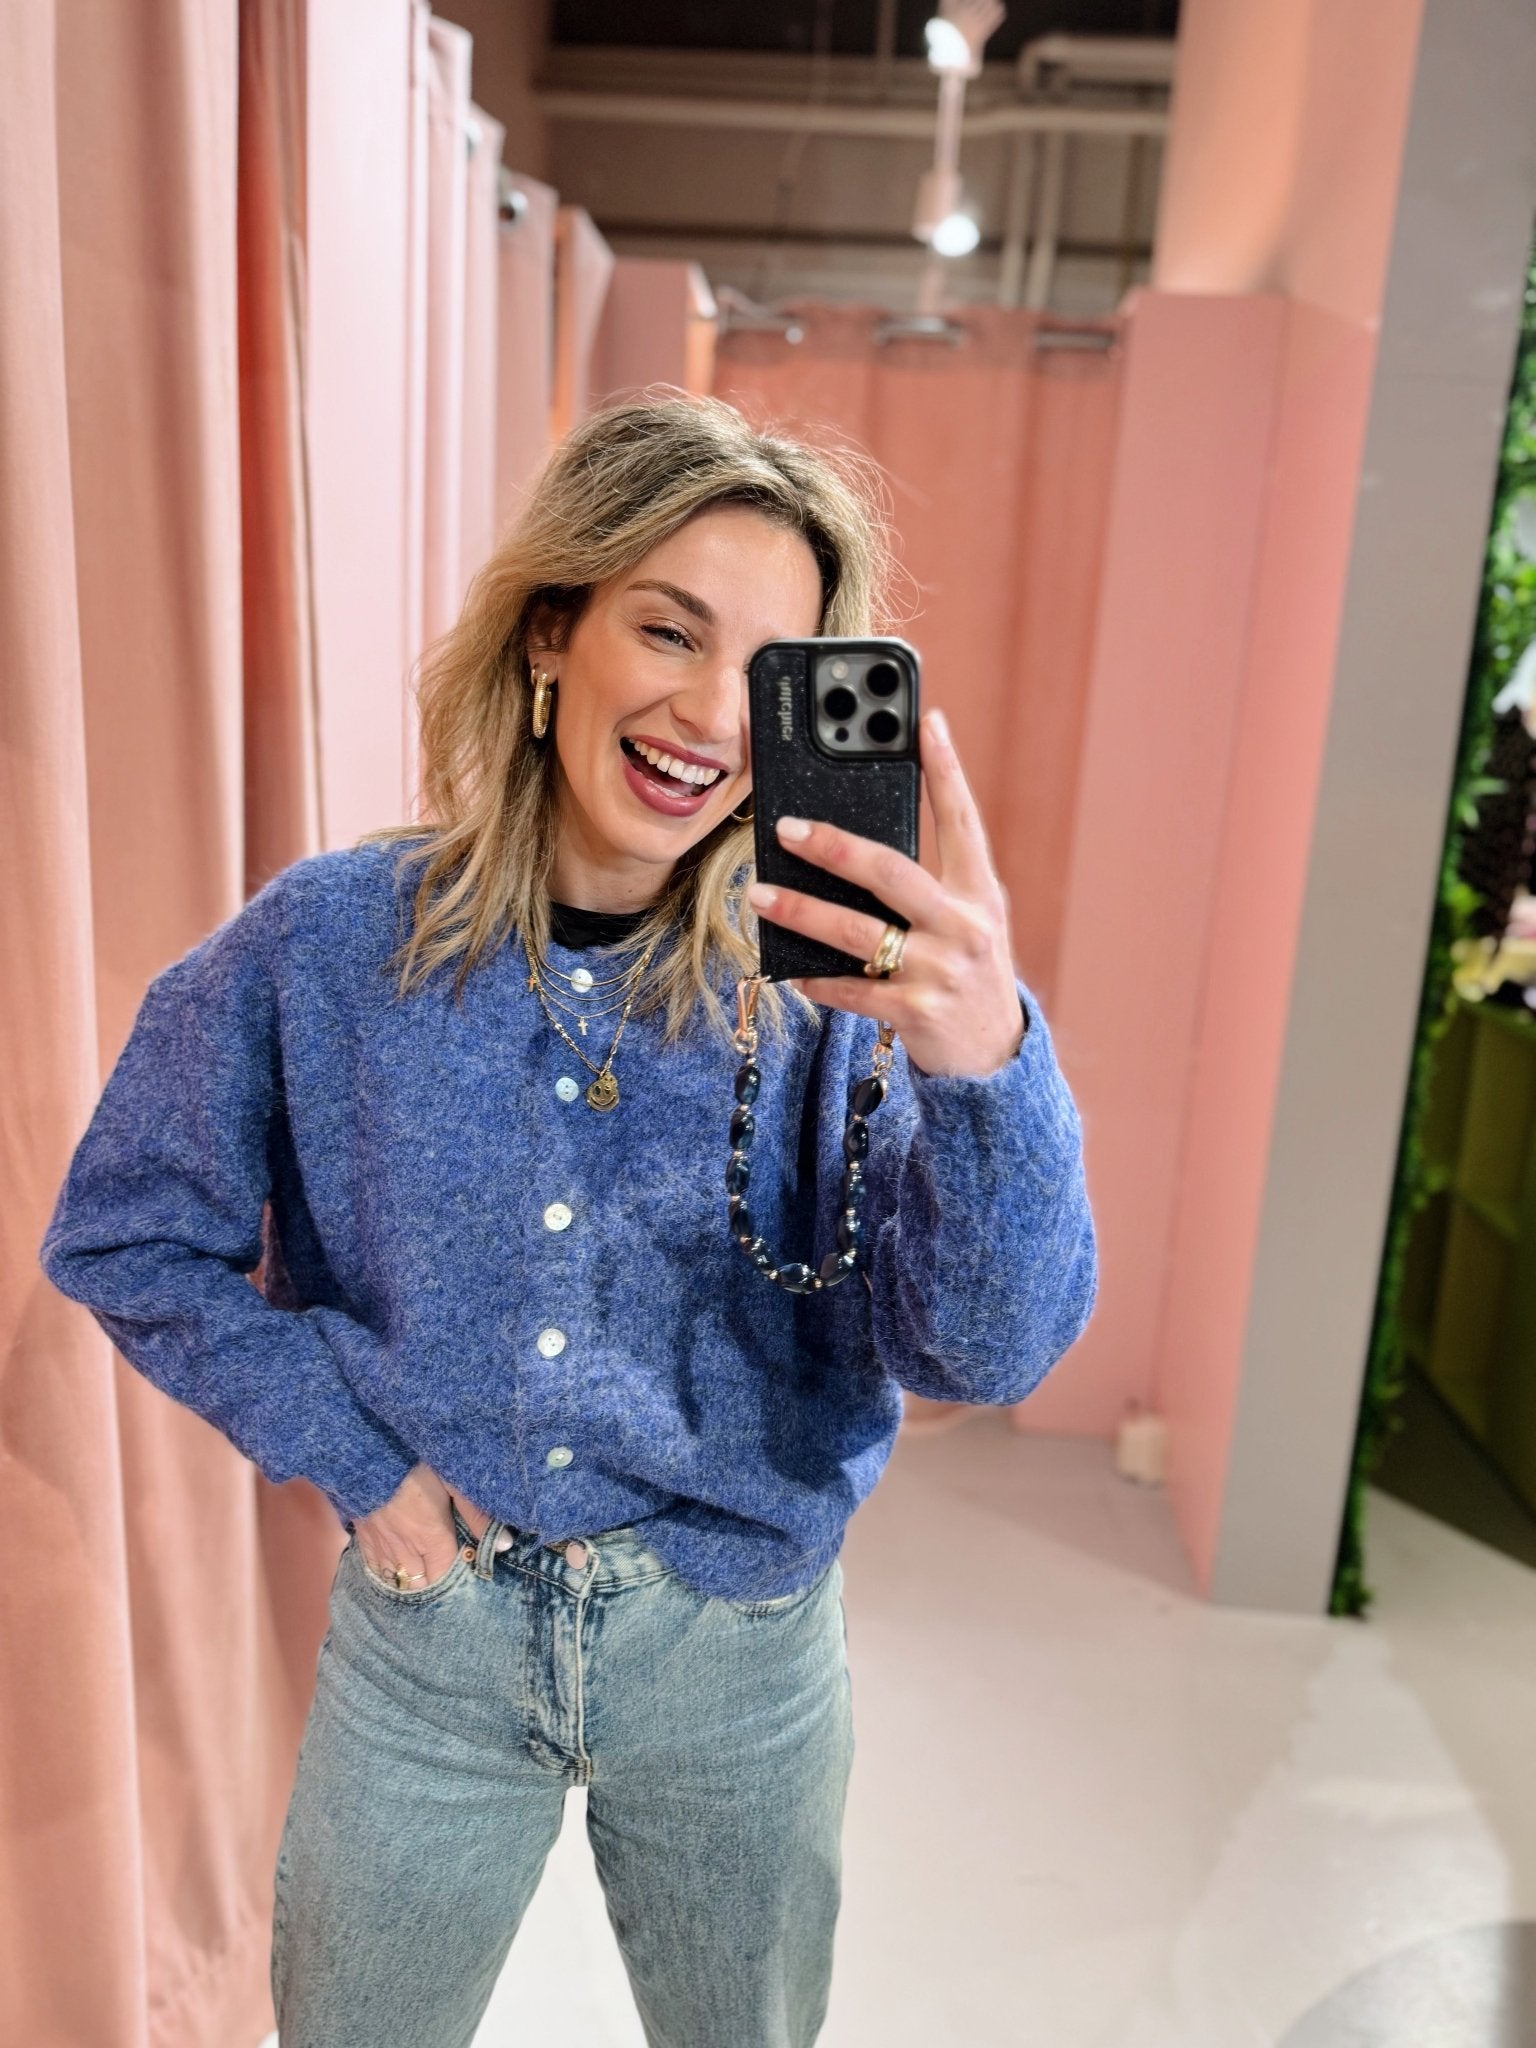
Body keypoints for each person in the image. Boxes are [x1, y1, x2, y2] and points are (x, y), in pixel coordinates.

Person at [39, 392, 1098, 2048]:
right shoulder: (331, 946)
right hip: (433, 1645)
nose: (712, 716)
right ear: (552, 633)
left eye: (768, 674)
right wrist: (354, 1454)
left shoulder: (835, 997)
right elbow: (121, 1231)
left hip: (737, 1649)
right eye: (667, 630)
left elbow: (985, 1350)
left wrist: (985, 1068)